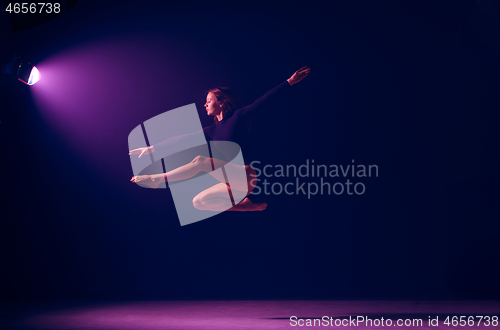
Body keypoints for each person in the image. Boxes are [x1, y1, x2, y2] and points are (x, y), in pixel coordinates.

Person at [129, 66, 311, 211]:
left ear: (221, 101)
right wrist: (153, 148)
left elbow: (262, 102)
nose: (205, 104)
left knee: (200, 161)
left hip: (247, 175)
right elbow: (181, 140)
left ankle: (158, 179)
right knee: (198, 202)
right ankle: (247, 206)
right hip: (234, 184)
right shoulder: (211, 131)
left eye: (209, 100)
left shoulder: (237, 118)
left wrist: (289, 82)